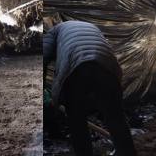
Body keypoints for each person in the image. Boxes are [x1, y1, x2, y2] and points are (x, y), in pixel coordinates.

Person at [43, 21, 136, 155]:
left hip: (77, 65)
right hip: (107, 64)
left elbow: (43, 57)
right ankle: (127, 152)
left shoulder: (54, 31)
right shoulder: (90, 26)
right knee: (115, 117)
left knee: (77, 120)